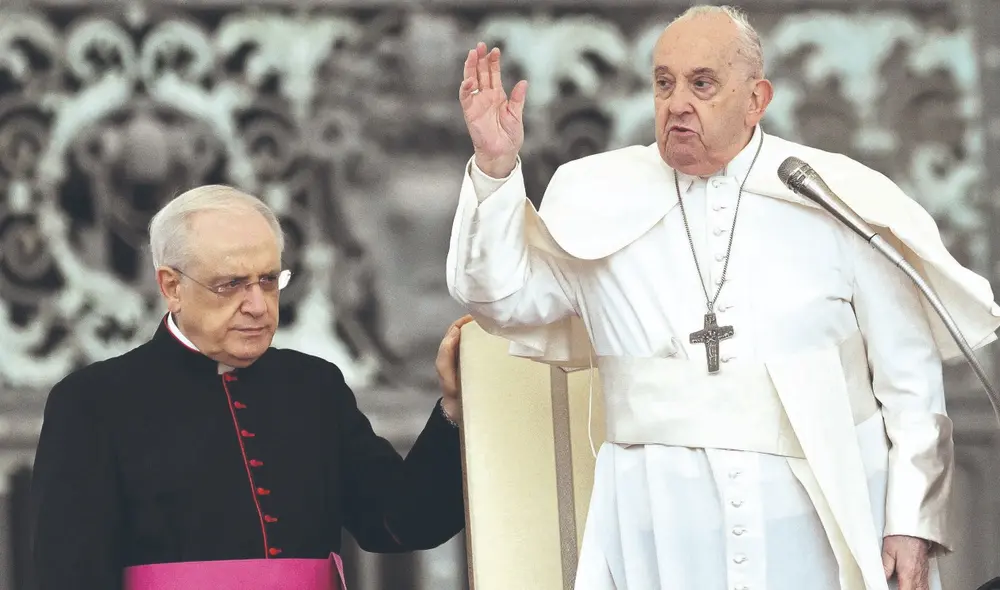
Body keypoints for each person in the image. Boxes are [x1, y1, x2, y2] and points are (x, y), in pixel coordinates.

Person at [446, 5, 1000, 590]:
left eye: (702, 83)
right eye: (664, 83)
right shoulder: (596, 198)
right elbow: (502, 300)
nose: (677, 102)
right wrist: (495, 168)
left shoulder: (833, 196)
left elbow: (910, 383)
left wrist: (911, 521)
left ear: (757, 98)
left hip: (821, 522)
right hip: (659, 529)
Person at [30, 185, 471, 590]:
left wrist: (453, 408)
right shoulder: (92, 401)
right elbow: (66, 577)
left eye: (268, 280)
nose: (258, 306)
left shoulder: (314, 387)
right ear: (172, 286)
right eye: (231, 285)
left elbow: (403, 522)